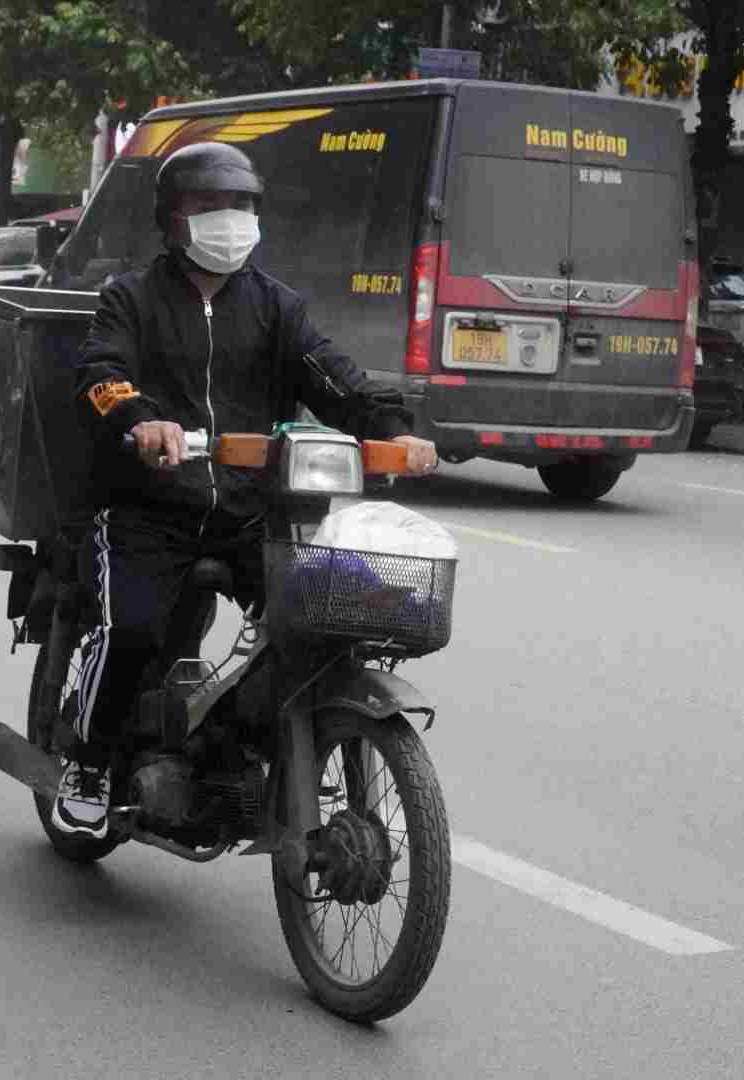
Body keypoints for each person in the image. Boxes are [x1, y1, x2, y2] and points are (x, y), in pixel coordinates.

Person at [51, 141, 440, 839]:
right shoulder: (131, 298)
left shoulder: (275, 307)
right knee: (133, 629)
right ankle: (87, 761)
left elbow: (334, 376)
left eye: (240, 206)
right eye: (208, 206)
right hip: (147, 509)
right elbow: (100, 375)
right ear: (173, 219)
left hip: (246, 512)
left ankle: (235, 744)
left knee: (318, 619)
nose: (228, 220)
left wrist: (392, 429)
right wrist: (144, 420)